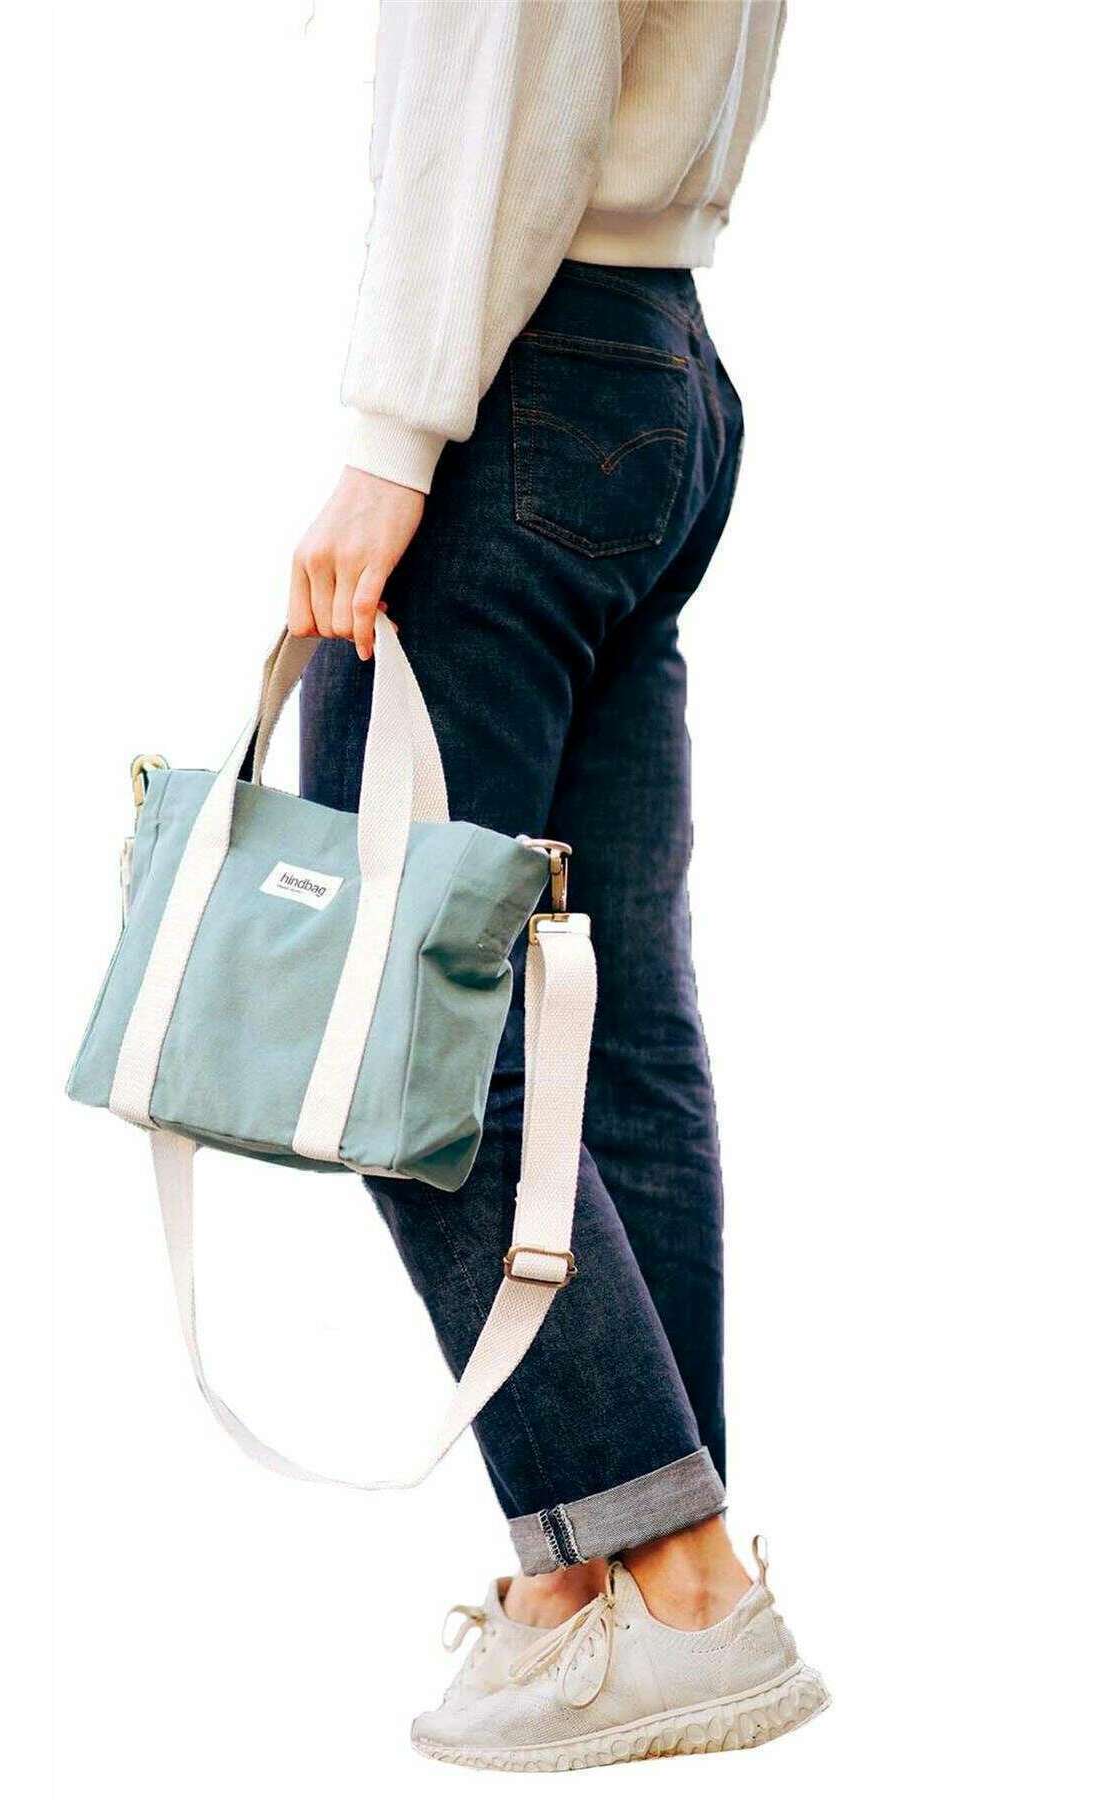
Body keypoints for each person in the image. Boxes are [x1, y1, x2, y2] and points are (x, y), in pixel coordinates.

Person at [289, 2, 826, 1769]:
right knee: (617, 1024)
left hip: (519, 390)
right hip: (657, 362)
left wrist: (390, 439)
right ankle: (604, 1594)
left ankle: (676, 1568)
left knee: (394, 1007)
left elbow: (496, 63)